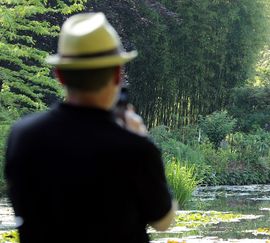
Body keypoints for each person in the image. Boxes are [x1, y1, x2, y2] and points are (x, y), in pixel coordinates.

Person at [4, 13, 176, 243]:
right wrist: (141, 138)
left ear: (59, 75)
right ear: (118, 74)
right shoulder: (134, 149)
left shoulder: (22, 136)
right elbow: (163, 221)